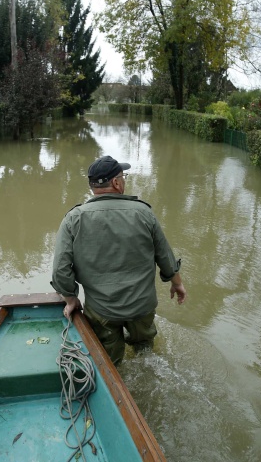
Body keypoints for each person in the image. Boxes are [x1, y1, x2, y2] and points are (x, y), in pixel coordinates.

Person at [51, 155, 186, 365]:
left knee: (110, 361)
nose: (124, 180)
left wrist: (71, 299)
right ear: (116, 182)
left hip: (102, 310)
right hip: (142, 306)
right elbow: (165, 256)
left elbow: (60, 269)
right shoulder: (144, 213)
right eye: (123, 177)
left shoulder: (74, 218)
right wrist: (176, 283)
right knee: (145, 354)